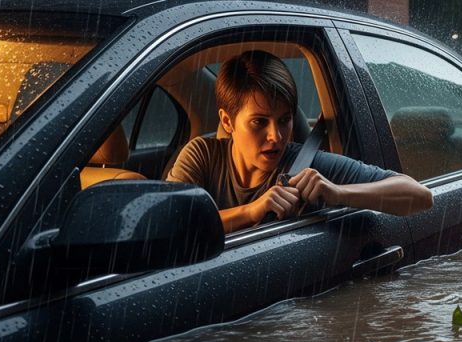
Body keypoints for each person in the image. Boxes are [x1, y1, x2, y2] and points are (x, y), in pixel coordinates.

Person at [168, 50, 432, 234]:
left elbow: (420, 196)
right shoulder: (201, 155)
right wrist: (250, 212)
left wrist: (337, 193)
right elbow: (169, 225)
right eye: (259, 122)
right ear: (227, 122)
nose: (276, 136)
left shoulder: (308, 168)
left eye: (284, 120)